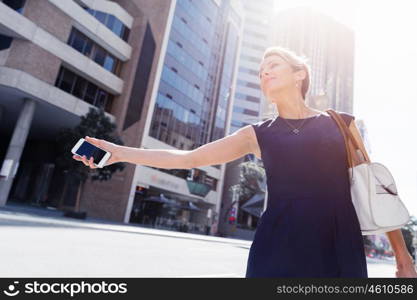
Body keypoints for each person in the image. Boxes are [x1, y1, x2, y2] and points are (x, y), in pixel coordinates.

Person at [73, 46, 417, 278]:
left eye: (274, 66)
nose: (264, 73)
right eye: (261, 70)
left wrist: (402, 255)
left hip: (339, 245)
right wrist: (119, 152)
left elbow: (379, 192)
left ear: (300, 75)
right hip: (276, 247)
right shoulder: (256, 134)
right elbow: (188, 157)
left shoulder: (342, 123)